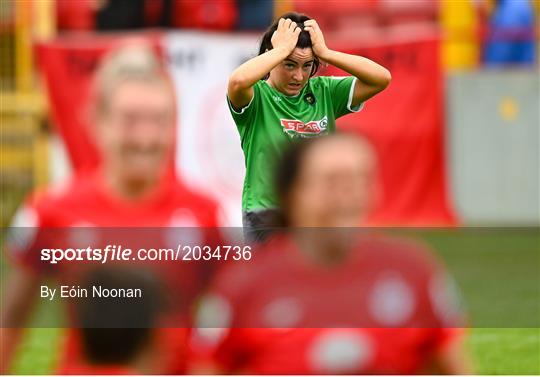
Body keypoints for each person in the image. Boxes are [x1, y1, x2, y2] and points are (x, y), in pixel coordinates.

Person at [1, 45, 220, 374]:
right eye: (130, 121)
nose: (146, 138)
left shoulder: (207, 215)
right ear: (96, 121)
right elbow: (11, 317)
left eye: (159, 120)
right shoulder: (50, 211)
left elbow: (236, 327)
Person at [190, 134, 471, 374]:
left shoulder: (414, 271)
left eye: (361, 179)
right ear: (291, 194)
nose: (349, 192)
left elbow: (451, 367)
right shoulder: (244, 285)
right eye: (333, 181)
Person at [226, 12, 391, 239]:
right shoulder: (256, 97)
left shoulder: (324, 91)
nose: (298, 76)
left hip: (318, 212)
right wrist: (281, 50)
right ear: (271, 57)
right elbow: (237, 81)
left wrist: (326, 53)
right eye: (290, 64)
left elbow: (381, 78)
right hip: (267, 213)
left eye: (307, 66)